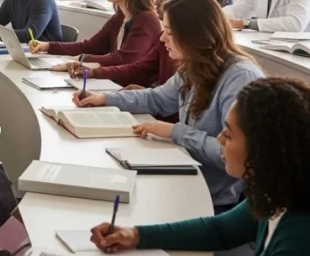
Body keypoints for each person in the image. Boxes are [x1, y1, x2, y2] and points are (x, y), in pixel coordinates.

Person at [74, 0, 263, 213]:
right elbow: (158, 98)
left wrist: (175, 132)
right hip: (183, 180)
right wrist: (105, 98)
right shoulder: (194, 64)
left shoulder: (240, 78)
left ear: (195, 36)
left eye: (169, 32)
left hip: (215, 202)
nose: (162, 38)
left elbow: (231, 153)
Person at [90, 77, 310, 255]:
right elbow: (220, 230)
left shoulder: (298, 236)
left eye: (228, 134)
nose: (220, 139)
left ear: (263, 147)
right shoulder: (274, 192)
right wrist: (135, 235)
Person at [75, 0, 228, 90]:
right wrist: (92, 72)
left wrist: (86, 64)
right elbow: (140, 69)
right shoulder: (164, 38)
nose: (157, 2)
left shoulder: (200, 56)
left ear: (184, 1)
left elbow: (169, 102)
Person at [33, 0, 160, 67]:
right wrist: (48, 46)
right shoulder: (119, 17)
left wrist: (81, 60)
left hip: (132, 87)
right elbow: (89, 46)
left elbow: (124, 59)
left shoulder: (146, 20)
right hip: (113, 81)